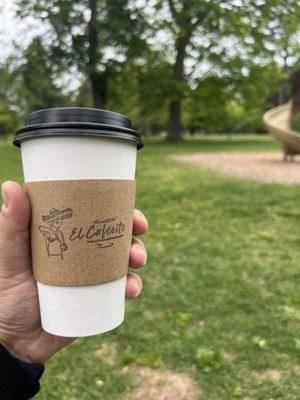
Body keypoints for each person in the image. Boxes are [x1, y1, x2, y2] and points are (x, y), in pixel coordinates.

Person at [0, 181, 148, 400]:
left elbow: (64, 244)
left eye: (59, 219)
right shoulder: (47, 229)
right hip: (53, 264)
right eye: (55, 219)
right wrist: (8, 343)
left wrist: (10, 348)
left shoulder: (57, 232)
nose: (58, 222)